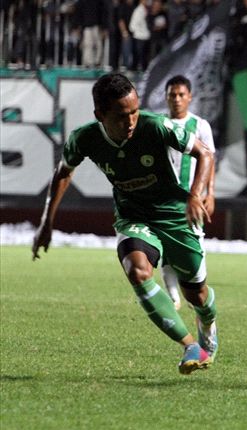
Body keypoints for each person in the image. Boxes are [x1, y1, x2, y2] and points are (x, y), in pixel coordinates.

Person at [32, 73, 218, 375]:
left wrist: (195, 194)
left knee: (196, 295)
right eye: (121, 116)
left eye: (134, 111)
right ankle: (189, 346)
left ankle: (207, 323)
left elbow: (205, 153)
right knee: (137, 269)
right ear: (100, 115)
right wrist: (46, 222)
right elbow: (64, 171)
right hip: (133, 216)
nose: (131, 120)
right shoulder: (85, 138)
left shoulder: (155, 126)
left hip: (174, 215)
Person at [162, 75, 217, 310]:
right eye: (172, 95)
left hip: (190, 198)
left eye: (181, 94)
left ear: (190, 97)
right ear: (166, 97)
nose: (176, 99)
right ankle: (174, 298)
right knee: (166, 245)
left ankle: (197, 291)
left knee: (194, 244)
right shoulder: (159, 123)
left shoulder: (200, 125)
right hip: (164, 197)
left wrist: (210, 192)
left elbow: (210, 159)